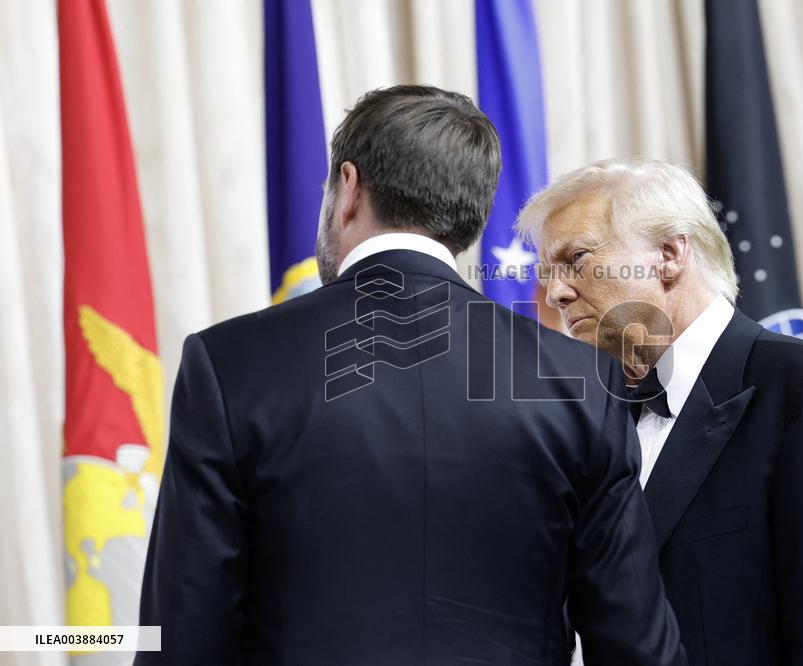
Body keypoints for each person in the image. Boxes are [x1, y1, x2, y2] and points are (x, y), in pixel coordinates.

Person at [135, 87, 685, 665]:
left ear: (348, 188)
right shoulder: (582, 383)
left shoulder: (230, 364)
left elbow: (181, 639)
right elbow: (637, 649)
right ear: (471, 215)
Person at [519, 157, 803, 665]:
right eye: (548, 273)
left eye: (575, 258)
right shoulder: (594, 425)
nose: (556, 292)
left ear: (668, 254)